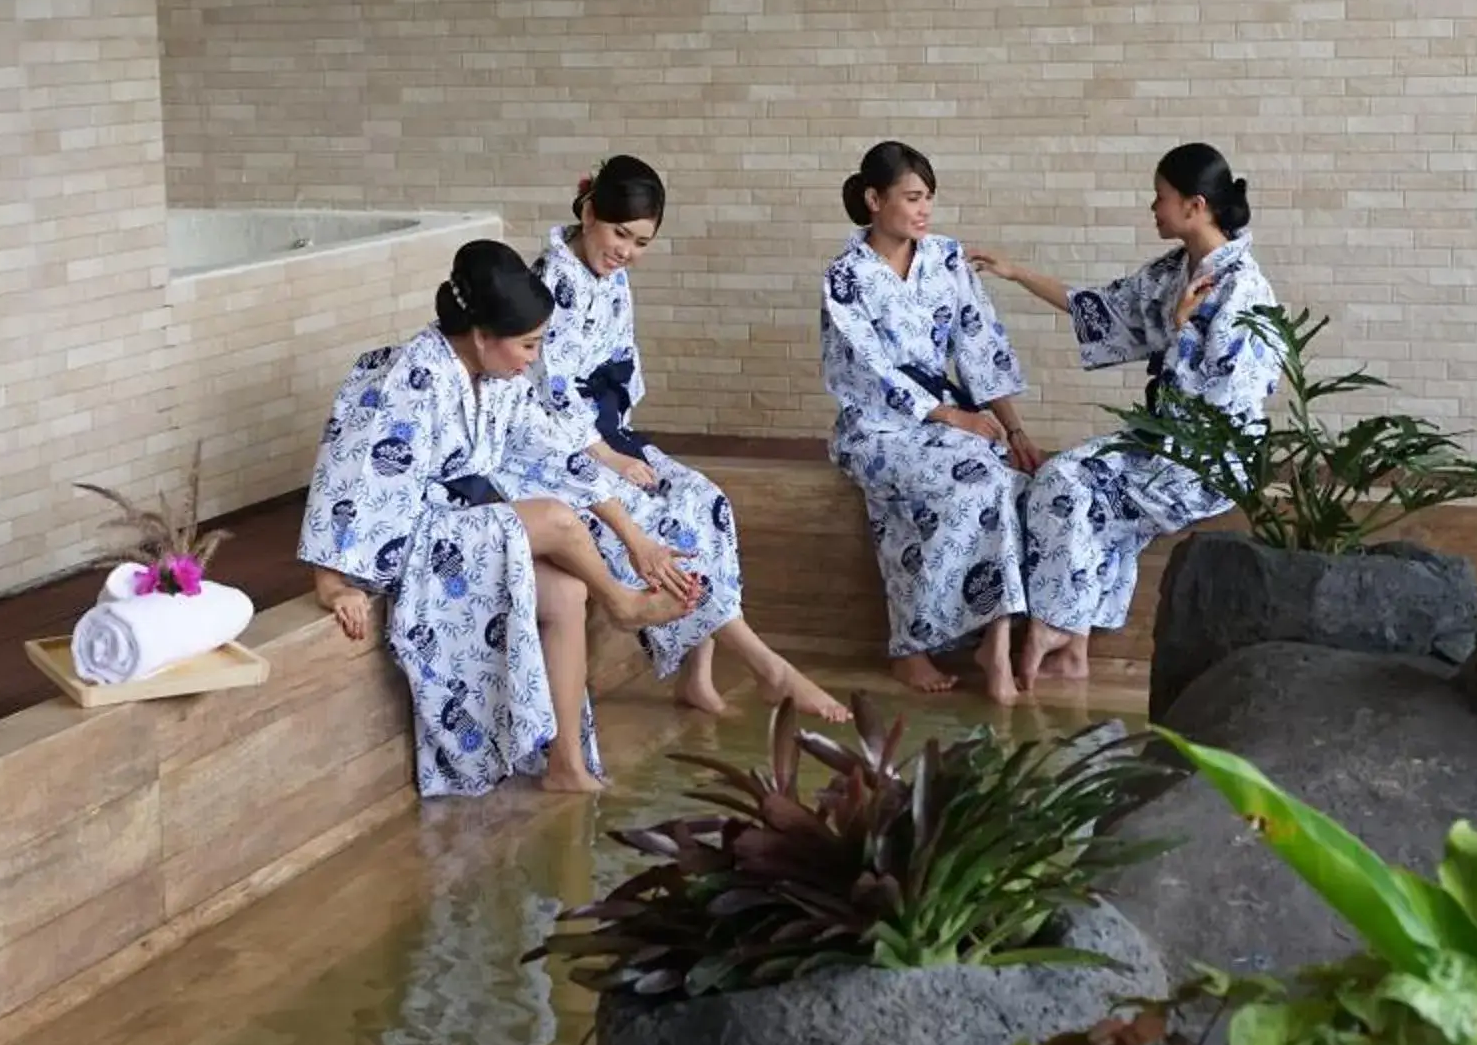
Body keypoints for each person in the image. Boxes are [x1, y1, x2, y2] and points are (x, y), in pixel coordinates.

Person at [300, 240, 697, 795]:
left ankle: (567, 767)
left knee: (565, 594)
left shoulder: (497, 382)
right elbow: (351, 475)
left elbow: (556, 453)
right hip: (419, 540)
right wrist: (332, 581)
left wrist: (633, 535)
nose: (534, 358)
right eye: (528, 344)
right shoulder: (407, 379)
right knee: (558, 521)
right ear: (483, 335)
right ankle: (624, 604)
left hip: (469, 523)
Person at [534, 156, 853, 724]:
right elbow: (550, 390)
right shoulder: (550, 284)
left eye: (640, 241)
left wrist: (620, 445)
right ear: (587, 212)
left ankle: (697, 675)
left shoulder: (611, 278)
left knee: (705, 499)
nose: (626, 251)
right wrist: (607, 456)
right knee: (664, 518)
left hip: (604, 432)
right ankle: (769, 669)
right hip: (551, 447)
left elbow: (617, 365)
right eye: (618, 233)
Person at [974, 143, 1281, 690]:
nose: (1152, 207)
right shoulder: (1174, 271)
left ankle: (1060, 628)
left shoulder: (1244, 289)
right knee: (1064, 480)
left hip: (1208, 458)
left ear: (1195, 205)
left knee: (1065, 483)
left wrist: (1184, 331)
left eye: (1160, 197)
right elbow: (1104, 308)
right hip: (1161, 441)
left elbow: (1226, 403)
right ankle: (1071, 641)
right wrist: (1015, 272)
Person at [818, 141, 1041, 705]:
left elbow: (979, 344)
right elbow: (866, 367)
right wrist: (950, 415)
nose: (924, 211)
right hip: (876, 428)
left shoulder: (945, 258)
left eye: (929, 200)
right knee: (972, 483)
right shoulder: (845, 277)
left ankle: (994, 639)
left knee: (1007, 480)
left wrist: (1012, 430)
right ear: (874, 199)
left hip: (949, 420)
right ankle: (912, 646)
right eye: (912, 198)